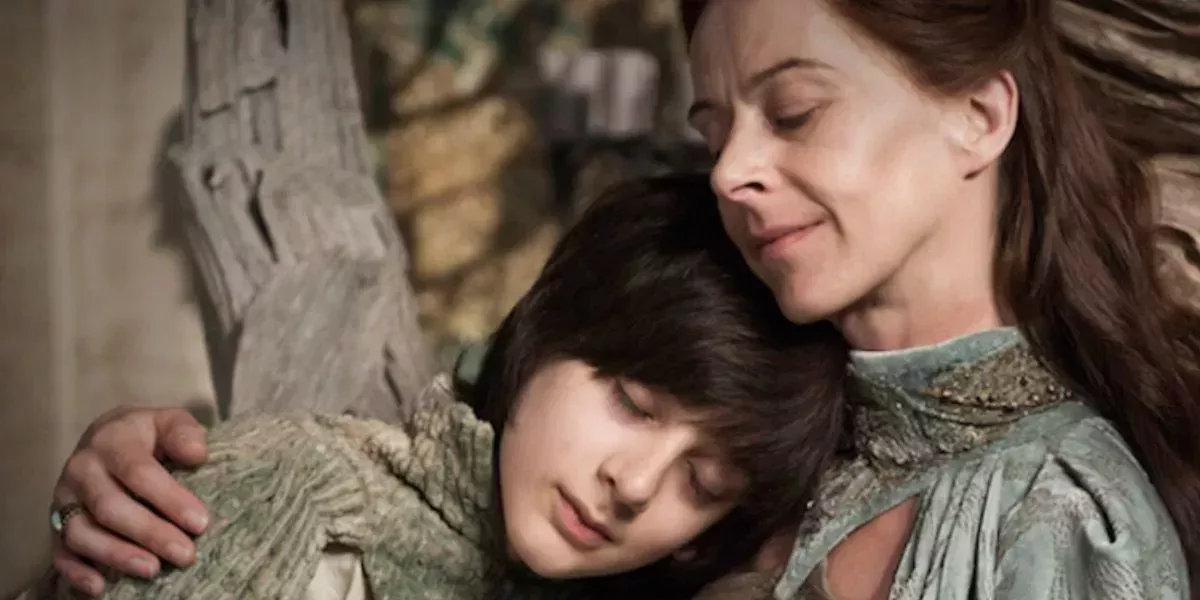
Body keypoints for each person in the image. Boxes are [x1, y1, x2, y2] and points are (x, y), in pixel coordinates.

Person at [45, 0, 1200, 598]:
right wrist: (165, 471)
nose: (734, 169)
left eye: (794, 112)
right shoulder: (796, 408)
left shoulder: (1060, 512)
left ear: (979, 117)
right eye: (716, 128)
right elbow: (473, 427)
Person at [28, 175, 847, 599]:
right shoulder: (286, 491)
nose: (632, 486)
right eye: (632, 404)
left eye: (702, 484)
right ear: (546, 333)